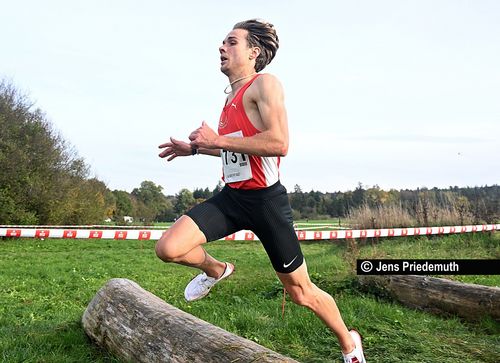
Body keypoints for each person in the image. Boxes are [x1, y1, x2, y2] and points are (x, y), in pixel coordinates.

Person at [156, 19, 366, 363]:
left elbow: (279, 143)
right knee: (169, 248)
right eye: (222, 42)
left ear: (254, 52)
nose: (222, 48)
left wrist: (216, 140)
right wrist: (194, 149)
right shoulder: (230, 99)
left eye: (231, 42)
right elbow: (237, 147)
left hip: (266, 201)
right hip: (233, 198)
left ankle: (349, 342)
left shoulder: (265, 85)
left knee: (300, 292)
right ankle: (216, 269)